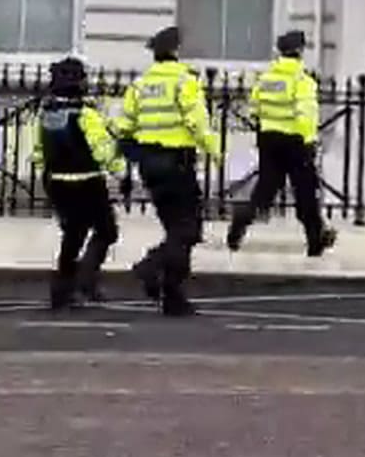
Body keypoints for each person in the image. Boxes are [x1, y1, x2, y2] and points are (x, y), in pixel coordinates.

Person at [115, 25, 220, 318]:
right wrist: (215, 150)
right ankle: (150, 266)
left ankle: (172, 297)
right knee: (188, 230)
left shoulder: (141, 85)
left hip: (150, 165)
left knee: (176, 230)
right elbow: (197, 122)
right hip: (177, 163)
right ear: (176, 51)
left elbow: (124, 127)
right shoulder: (184, 81)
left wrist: (130, 162)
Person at [227, 30, 335, 257]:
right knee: (306, 192)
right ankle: (315, 241)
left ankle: (241, 220)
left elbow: (254, 107)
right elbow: (306, 115)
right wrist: (310, 141)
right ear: (300, 51)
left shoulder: (266, 79)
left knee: (264, 191)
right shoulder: (302, 80)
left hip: (269, 139)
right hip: (295, 142)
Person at [34, 57, 124, 310]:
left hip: (58, 182)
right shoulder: (86, 115)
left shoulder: (46, 114)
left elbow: (39, 151)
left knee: (72, 236)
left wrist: (49, 174)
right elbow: (103, 150)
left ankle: (61, 291)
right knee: (106, 231)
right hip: (88, 181)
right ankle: (85, 279)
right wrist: (121, 171)